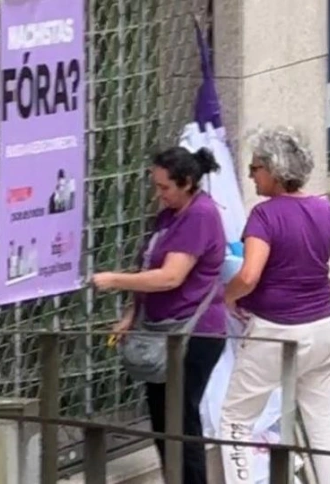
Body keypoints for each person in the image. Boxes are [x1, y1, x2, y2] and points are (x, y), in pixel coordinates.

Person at [219, 127, 330, 484]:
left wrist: (229, 295)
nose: (251, 175)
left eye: (255, 168)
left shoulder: (264, 217)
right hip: (325, 328)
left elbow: (249, 275)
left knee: (235, 420)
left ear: (273, 170)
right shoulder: (325, 210)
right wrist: (320, 290)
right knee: (323, 421)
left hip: (276, 330)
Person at [92, 146, 227, 484]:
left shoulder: (200, 215)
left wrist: (113, 280)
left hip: (194, 333)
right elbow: (149, 265)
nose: (159, 194)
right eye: (156, 186)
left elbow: (170, 276)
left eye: (164, 187)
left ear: (187, 183)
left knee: (181, 422)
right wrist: (130, 313)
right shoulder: (171, 214)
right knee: (163, 421)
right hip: (161, 330)